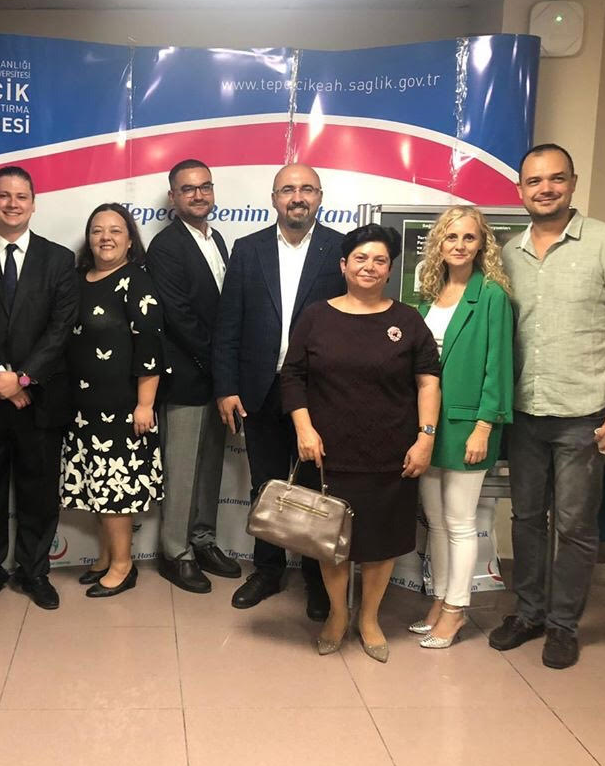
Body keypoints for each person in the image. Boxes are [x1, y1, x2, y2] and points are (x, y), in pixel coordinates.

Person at [490, 143, 605, 669]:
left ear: (573, 183)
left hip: (585, 414)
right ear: (520, 190)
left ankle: (563, 625)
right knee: (526, 519)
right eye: (535, 181)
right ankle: (529, 614)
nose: (546, 189)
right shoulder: (508, 253)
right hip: (525, 412)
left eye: (556, 179)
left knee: (575, 526)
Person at [282, 224, 441, 663]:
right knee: (331, 542)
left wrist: (425, 438)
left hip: (391, 454)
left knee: (380, 543)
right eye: (360, 258)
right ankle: (338, 614)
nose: (369, 266)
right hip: (328, 454)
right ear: (343, 265)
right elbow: (292, 376)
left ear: (390, 270)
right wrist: (304, 428)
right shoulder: (316, 316)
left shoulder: (407, 320)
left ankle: (369, 618)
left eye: (379, 260)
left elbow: (428, 381)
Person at [212, 163, 346, 620]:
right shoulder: (247, 250)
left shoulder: (340, 250)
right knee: (265, 485)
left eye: (307, 189)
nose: (297, 197)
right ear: (274, 199)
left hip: (318, 394)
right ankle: (267, 571)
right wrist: (226, 387)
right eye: (288, 189)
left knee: (315, 489)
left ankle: (315, 578)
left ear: (320, 197)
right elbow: (228, 325)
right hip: (260, 389)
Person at [0, 166, 79, 612]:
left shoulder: (59, 259)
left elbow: (61, 328)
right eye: (4, 196)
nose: (12, 204)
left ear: (33, 203)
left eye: (21, 196)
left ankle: (34, 571)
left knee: (39, 492)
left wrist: (23, 378)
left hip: (40, 400)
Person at [412, 206, 514, 648]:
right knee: (435, 523)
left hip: (467, 425)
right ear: (438, 243)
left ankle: (456, 610)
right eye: (451, 237)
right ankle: (439, 601)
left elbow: (498, 366)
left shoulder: (491, 295)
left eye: (469, 237)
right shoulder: (428, 294)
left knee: (459, 522)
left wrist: (484, 427)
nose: (459, 245)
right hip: (428, 425)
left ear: (482, 244)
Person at [145, 159, 240, 593]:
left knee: (209, 468)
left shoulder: (216, 239)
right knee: (182, 470)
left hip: (217, 379)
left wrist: (225, 374)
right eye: (188, 189)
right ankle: (175, 552)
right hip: (186, 378)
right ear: (173, 197)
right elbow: (179, 317)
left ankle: (202, 540)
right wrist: (221, 364)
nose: (198, 195)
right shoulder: (166, 246)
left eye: (204, 187)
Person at [61, 203, 165, 596]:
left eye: (115, 230)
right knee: (96, 487)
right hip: (82, 409)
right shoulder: (77, 279)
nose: (106, 237)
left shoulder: (137, 281)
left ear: (130, 239)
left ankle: (123, 566)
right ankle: (105, 556)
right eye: (97, 230)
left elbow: (150, 346)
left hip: (123, 409)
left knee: (116, 491)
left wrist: (145, 404)